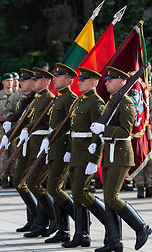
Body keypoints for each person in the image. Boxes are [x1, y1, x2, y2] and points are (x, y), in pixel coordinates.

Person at [91, 66, 152, 252]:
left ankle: (141, 227)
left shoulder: (126, 103)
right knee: (108, 199)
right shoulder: (112, 102)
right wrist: (97, 139)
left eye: (110, 80)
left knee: (112, 196)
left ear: (121, 82)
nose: (106, 83)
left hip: (121, 154)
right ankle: (114, 241)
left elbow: (126, 131)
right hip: (109, 152)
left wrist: (104, 130)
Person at [59, 67, 107, 248]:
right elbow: (74, 130)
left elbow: (98, 133)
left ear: (93, 83)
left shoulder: (96, 103)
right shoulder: (80, 101)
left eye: (83, 80)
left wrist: (94, 159)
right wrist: (70, 150)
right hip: (76, 153)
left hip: (87, 153)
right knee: (76, 195)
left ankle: (111, 222)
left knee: (80, 192)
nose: (78, 82)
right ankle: (82, 234)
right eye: (79, 80)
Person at [35, 63, 78, 244]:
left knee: (54, 188)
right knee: (54, 189)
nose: (55, 79)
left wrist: (68, 150)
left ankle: (81, 220)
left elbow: (70, 126)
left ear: (68, 80)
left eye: (58, 77)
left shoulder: (70, 98)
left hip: (63, 147)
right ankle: (62, 229)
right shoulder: (58, 98)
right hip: (53, 146)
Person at [14, 67, 56, 238]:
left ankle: (52, 220)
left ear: (45, 82)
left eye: (34, 80)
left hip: (41, 144)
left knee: (35, 184)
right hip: (30, 143)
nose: (30, 82)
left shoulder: (49, 99)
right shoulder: (34, 99)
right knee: (24, 182)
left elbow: (49, 124)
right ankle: (37, 220)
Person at [2, 68, 37, 232]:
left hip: (35, 145)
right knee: (20, 182)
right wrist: (9, 133)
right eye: (20, 80)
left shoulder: (39, 100)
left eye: (25, 80)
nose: (20, 82)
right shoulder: (24, 100)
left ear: (33, 82)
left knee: (30, 183)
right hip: (24, 145)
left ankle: (40, 218)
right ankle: (33, 218)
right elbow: (20, 120)